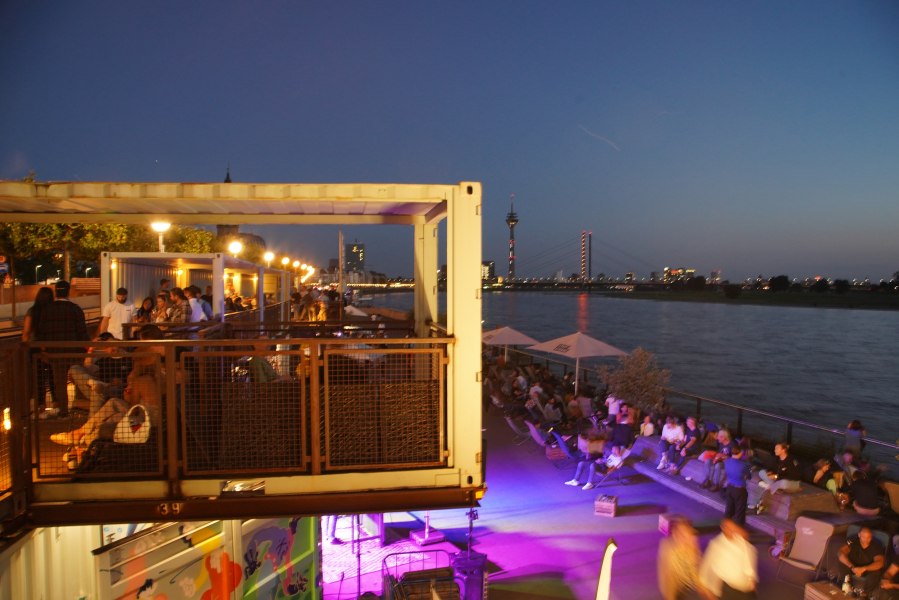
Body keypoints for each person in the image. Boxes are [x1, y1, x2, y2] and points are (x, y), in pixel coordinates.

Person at [34, 280, 89, 418]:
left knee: (60, 382)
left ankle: (63, 411)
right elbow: (82, 332)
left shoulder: (47, 310)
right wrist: (87, 348)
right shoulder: (75, 309)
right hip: (75, 351)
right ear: (68, 291)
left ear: (56, 292)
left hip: (55, 352)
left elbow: (41, 332)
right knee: (79, 379)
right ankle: (81, 407)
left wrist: (44, 350)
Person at [699, 519, 758, 599]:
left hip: (746, 588)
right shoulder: (716, 544)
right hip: (729, 589)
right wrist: (706, 589)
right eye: (727, 527)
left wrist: (751, 576)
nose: (730, 530)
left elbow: (749, 556)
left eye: (732, 527)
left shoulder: (740, 541)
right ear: (722, 528)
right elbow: (706, 566)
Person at [658, 517, 713, 600]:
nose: (682, 536)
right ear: (675, 534)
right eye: (679, 533)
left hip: (687, 582)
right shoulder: (668, 549)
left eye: (686, 532)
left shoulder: (692, 543)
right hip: (675, 586)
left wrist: (704, 590)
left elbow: (695, 569)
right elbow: (668, 579)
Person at [22, 286, 56, 414]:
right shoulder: (53, 311)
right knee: (54, 375)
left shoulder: (32, 311)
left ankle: (40, 405)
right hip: (53, 347)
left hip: (34, 348)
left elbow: (26, 332)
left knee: (38, 377)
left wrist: (26, 345)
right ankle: (57, 403)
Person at [755, 442, 802, 514]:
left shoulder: (791, 461)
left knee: (783, 483)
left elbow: (795, 476)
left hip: (791, 483)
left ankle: (769, 487)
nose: (775, 450)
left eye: (777, 448)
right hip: (778, 482)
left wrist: (776, 476)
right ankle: (774, 488)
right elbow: (773, 469)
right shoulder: (777, 460)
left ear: (783, 450)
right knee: (762, 472)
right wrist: (770, 473)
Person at [837, 527, 885, 596]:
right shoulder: (852, 541)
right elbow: (840, 553)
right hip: (853, 566)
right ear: (859, 535)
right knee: (843, 562)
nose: (866, 539)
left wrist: (864, 568)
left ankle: (865, 594)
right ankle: (846, 586)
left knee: (876, 573)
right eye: (864, 537)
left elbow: (880, 562)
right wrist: (852, 567)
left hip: (867, 569)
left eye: (869, 537)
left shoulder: (877, 546)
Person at [723, 447, 751, 526]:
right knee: (739, 512)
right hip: (739, 490)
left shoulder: (726, 461)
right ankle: (738, 530)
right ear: (740, 453)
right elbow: (748, 476)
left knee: (729, 509)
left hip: (729, 488)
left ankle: (725, 527)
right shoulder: (744, 465)